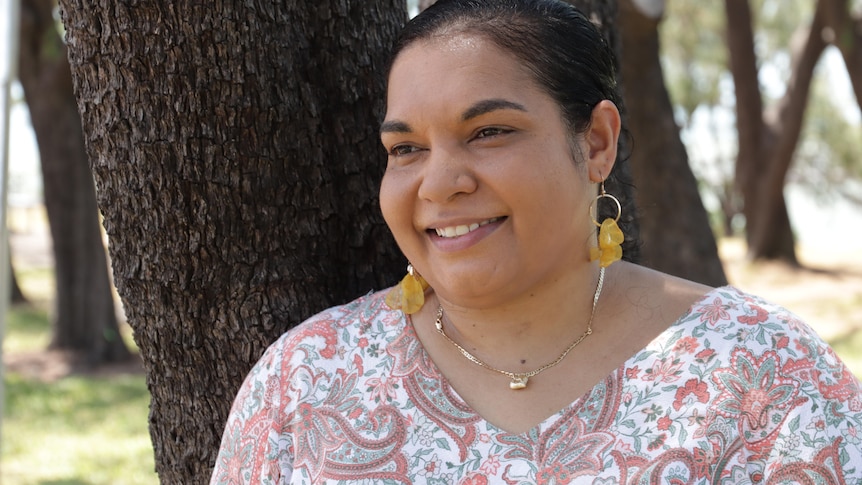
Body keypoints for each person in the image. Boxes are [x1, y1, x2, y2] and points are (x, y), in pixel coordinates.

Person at [210, 0, 862, 483]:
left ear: (597, 142)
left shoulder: (761, 372)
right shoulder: (306, 382)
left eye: (490, 131)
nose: (440, 182)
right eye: (405, 148)